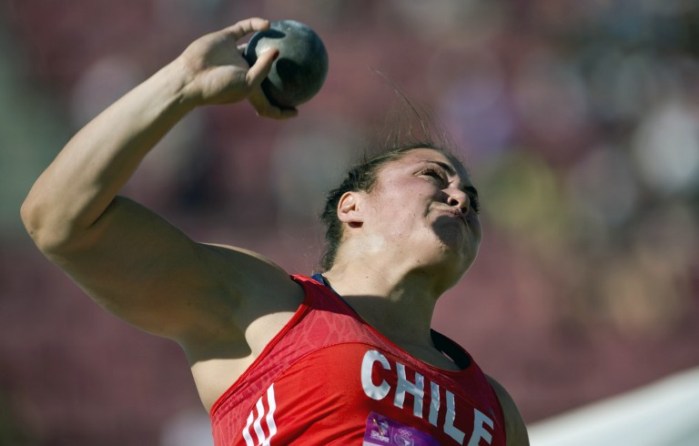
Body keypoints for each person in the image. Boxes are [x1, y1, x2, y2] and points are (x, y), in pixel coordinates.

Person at [21, 17, 528, 445]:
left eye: (472, 196)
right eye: (433, 175)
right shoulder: (263, 305)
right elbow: (58, 219)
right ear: (353, 207)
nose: (461, 197)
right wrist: (181, 84)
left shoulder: (495, 410)